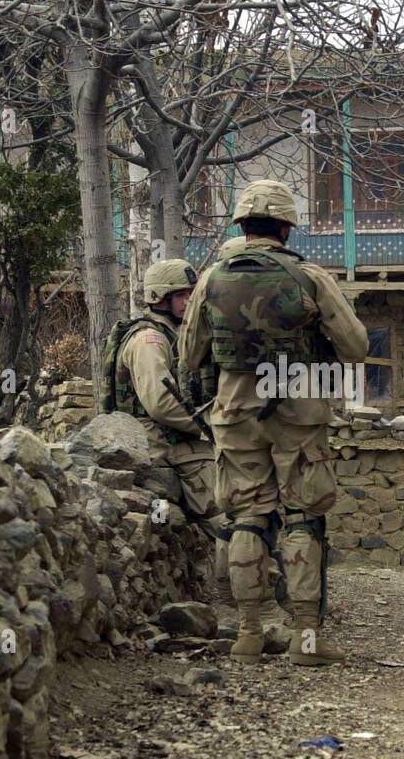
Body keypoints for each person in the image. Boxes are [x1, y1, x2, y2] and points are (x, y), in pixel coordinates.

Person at [179, 180, 368, 666]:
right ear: (287, 227)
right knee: (303, 515)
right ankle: (306, 637)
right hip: (299, 413)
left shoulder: (212, 277)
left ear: (241, 225)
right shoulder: (309, 275)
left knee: (247, 515)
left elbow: (188, 355)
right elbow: (356, 346)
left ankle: (248, 633)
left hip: (235, 413)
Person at [103, 259, 284, 615]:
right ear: (160, 298)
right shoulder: (148, 340)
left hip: (183, 439)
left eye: (192, 293)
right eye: (182, 295)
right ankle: (245, 603)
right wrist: (214, 427)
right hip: (166, 445)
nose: (191, 301)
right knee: (235, 509)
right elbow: (161, 404)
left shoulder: (177, 335)